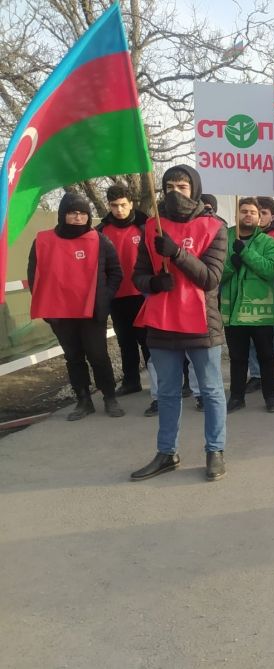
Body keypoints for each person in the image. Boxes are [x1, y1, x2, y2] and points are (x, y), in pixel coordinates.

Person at [130, 165, 228, 482]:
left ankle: (215, 451)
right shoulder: (151, 227)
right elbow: (138, 276)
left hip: (201, 323)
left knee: (211, 391)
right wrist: (154, 283)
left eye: (182, 186)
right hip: (161, 322)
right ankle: (166, 453)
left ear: (195, 189)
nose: (175, 191)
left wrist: (177, 254)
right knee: (168, 394)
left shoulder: (214, 227)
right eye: (169, 185)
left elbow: (210, 278)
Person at [28, 192, 125, 421]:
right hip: (60, 314)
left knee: (98, 355)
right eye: (73, 212)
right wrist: (46, 304)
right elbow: (34, 275)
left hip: (92, 312)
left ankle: (109, 397)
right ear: (63, 215)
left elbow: (115, 273)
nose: (79, 217)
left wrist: (104, 298)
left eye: (83, 213)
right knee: (73, 357)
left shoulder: (100, 240)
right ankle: (83, 400)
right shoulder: (43, 241)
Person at [220, 196, 274, 414]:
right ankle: (237, 397)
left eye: (253, 212)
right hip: (232, 311)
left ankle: (271, 396)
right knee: (237, 357)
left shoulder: (269, 242)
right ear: (236, 214)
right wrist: (231, 266)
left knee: (267, 355)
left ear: (259, 217)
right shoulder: (223, 238)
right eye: (244, 211)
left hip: (259, 311)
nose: (248, 215)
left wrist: (245, 253)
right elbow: (215, 272)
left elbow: (271, 269)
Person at [96, 183, 150, 398]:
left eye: (123, 205)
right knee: (125, 341)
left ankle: (158, 382)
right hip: (116, 296)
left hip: (142, 294)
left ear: (132, 203)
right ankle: (131, 381)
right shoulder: (101, 231)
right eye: (114, 205)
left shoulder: (145, 226)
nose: (119, 210)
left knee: (147, 341)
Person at [245, 195, 274, 394]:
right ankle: (256, 375)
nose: (259, 217)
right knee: (254, 339)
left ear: (272, 216)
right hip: (250, 297)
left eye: (264, 213)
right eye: (257, 212)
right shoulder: (242, 235)